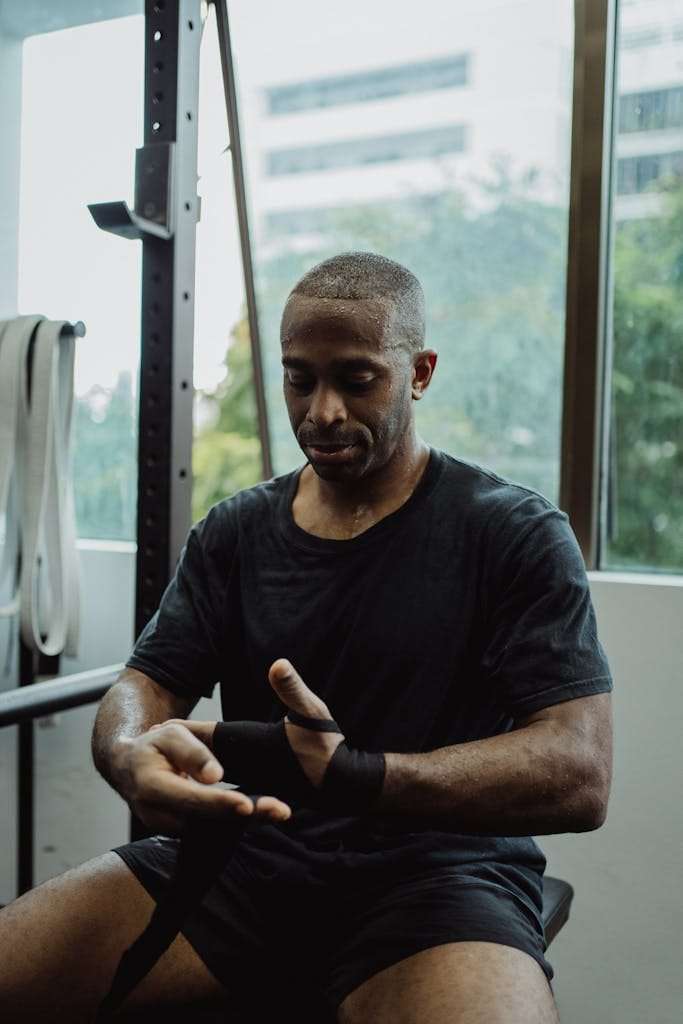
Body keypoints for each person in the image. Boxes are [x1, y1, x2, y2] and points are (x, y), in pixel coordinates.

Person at [0, 251, 613, 1023]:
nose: (320, 411)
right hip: (246, 863)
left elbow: (578, 770)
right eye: (299, 379)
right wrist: (129, 756)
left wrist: (359, 775)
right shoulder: (234, 531)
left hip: (439, 881)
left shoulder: (512, 532)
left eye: (356, 381)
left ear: (418, 372)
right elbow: (144, 685)